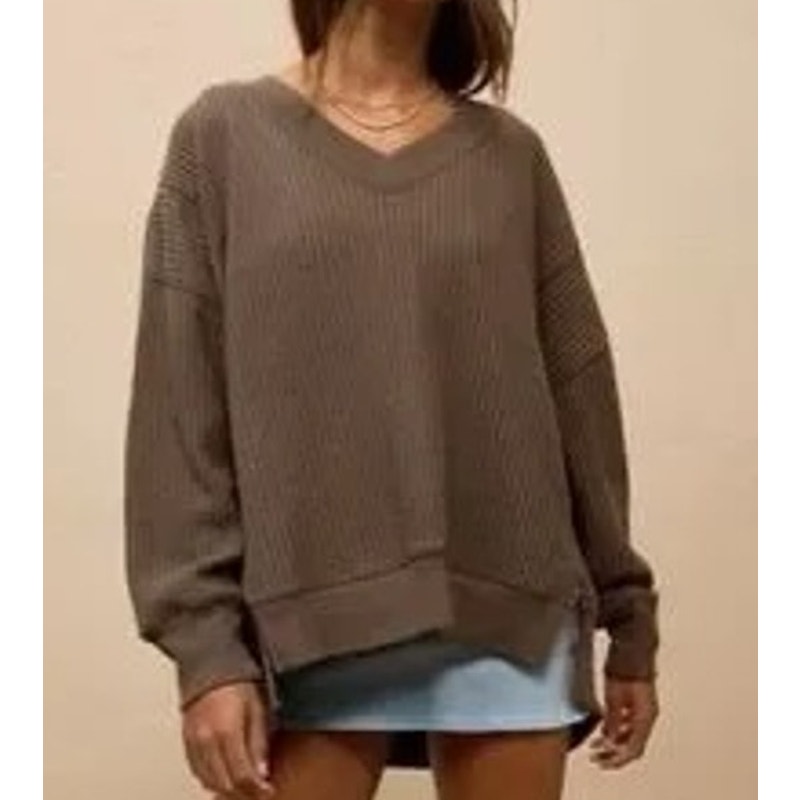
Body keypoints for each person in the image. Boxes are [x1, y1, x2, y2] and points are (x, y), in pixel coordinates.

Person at [123, 1, 661, 798]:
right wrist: (206, 651)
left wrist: (628, 614)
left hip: (507, 613)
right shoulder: (223, 137)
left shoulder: (511, 159)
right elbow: (179, 408)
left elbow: (578, 391)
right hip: (303, 626)